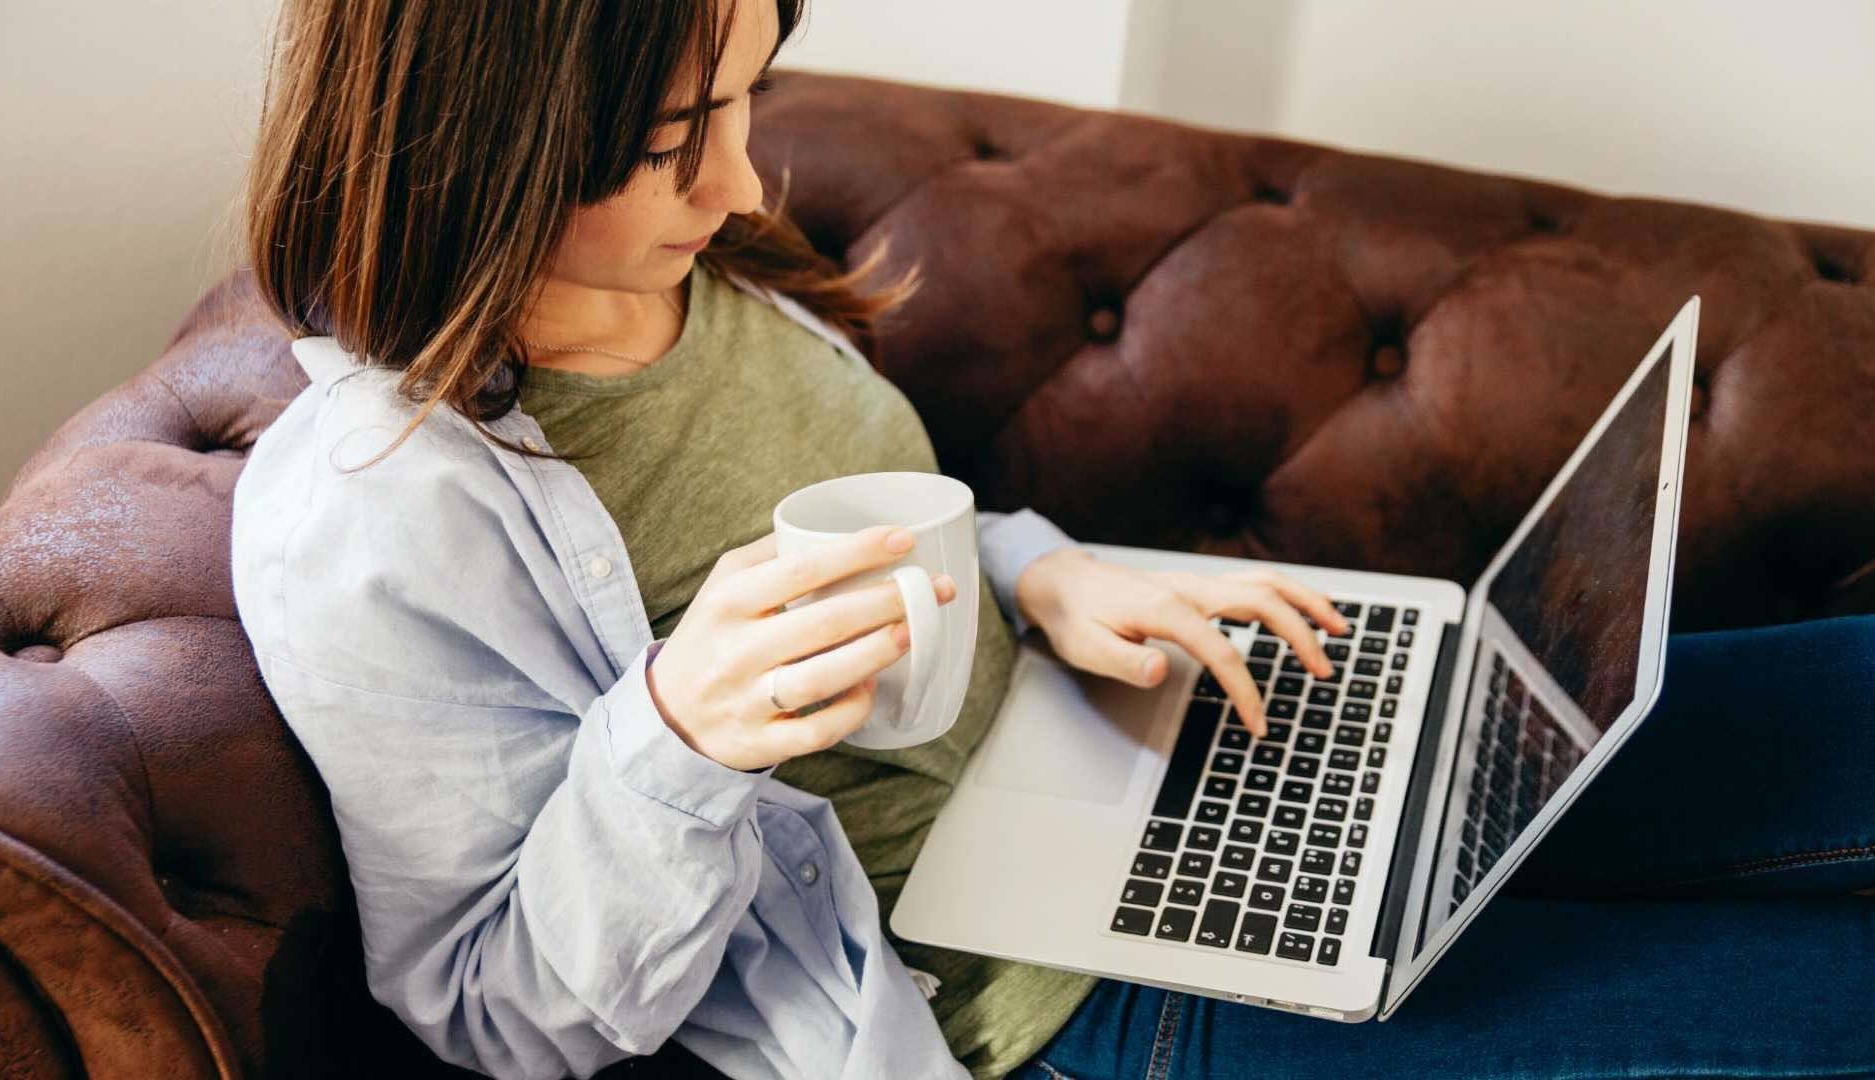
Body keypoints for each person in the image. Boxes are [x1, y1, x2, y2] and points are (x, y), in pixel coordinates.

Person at [226, 1, 1874, 1078]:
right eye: (674, 143)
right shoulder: (368, 525)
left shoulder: (696, 271)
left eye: (744, 100)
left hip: (1137, 739)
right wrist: (674, 739)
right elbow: (492, 1006)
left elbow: (918, 528)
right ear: (482, 149)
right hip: (1048, 1002)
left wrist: (1046, 569)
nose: (738, 180)